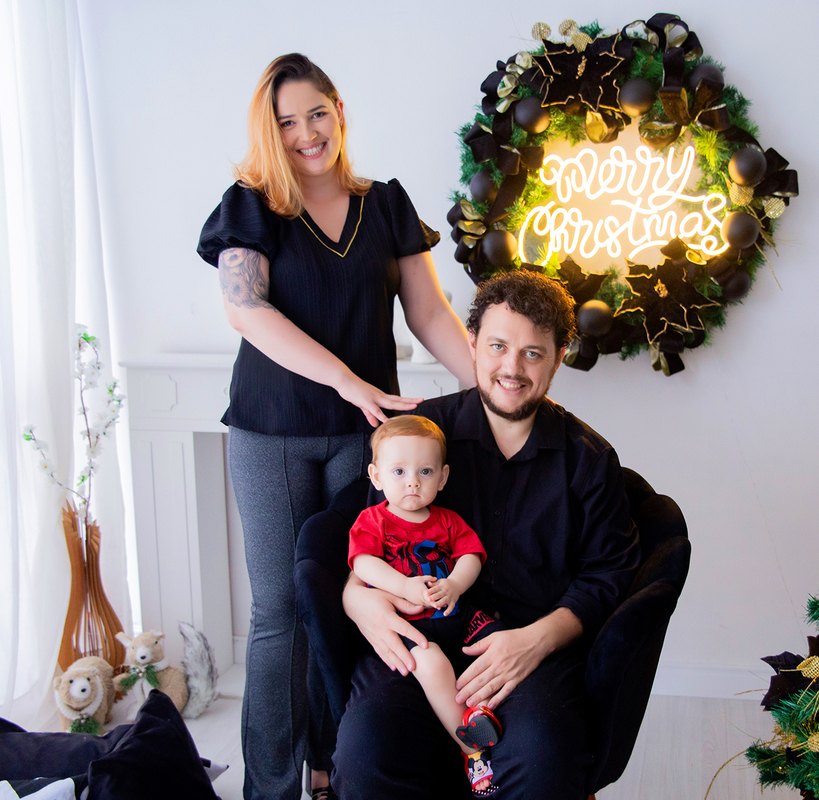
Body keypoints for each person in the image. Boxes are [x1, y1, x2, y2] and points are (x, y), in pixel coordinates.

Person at [196, 53, 475, 800]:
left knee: (352, 603)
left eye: (316, 112)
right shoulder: (251, 205)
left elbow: (428, 312)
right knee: (280, 612)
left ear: (339, 109)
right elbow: (246, 310)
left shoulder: (384, 205)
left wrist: (491, 383)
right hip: (272, 431)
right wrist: (348, 379)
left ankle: (336, 772)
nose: (305, 133)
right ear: (270, 131)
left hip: (369, 440)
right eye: (286, 122)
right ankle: (272, 787)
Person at [331, 270, 642, 799]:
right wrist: (356, 600)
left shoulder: (588, 460)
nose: (511, 369)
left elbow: (608, 577)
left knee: (543, 760)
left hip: (532, 651)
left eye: (533, 353)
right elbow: (363, 544)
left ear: (559, 355)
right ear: (472, 343)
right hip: (420, 639)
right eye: (497, 346)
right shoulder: (416, 438)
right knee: (366, 754)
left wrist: (534, 642)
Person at [348, 415, 506, 796]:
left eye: (425, 471)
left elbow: (472, 556)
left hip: (456, 613)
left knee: (498, 642)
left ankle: (486, 707)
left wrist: (453, 583)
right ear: (377, 476)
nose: (413, 482)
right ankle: (471, 747)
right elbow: (363, 562)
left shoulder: (447, 521)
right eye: (399, 471)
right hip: (413, 628)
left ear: (443, 477)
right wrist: (403, 585)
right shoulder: (374, 520)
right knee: (432, 662)